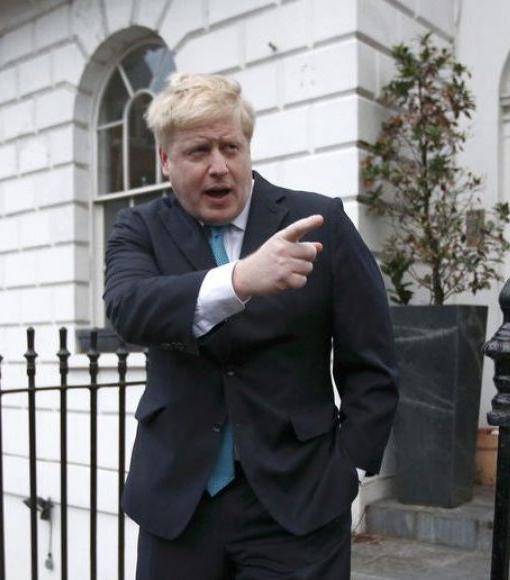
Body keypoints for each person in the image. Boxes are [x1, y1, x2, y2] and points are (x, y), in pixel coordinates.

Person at [104, 72, 398, 580]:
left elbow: (371, 360)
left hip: (298, 500)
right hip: (179, 503)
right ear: (166, 162)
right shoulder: (140, 228)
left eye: (231, 147)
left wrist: (348, 469)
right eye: (198, 152)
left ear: (248, 148)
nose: (219, 167)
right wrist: (241, 279)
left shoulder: (317, 220)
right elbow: (129, 308)